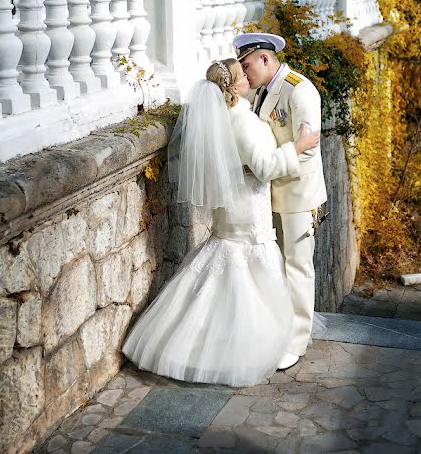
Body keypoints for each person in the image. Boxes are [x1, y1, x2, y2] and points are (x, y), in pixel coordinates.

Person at [121, 58, 321, 387]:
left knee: (226, 266)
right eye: (243, 73)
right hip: (248, 210)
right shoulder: (241, 121)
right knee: (245, 273)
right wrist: (298, 146)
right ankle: (244, 347)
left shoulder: (224, 117)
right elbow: (265, 167)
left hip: (236, 207)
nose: (248, 75)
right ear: (235, 87)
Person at [236, 32, 327, 371]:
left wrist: (265, 167)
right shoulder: (262, 91)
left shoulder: (298, 89)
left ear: (265, 58)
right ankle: (283, 331)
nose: (245, 74)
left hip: (298, 194)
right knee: (280, 266)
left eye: (247, 66)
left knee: (298, 267)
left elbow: (308, 149)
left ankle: (297, 341)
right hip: (273, 192)